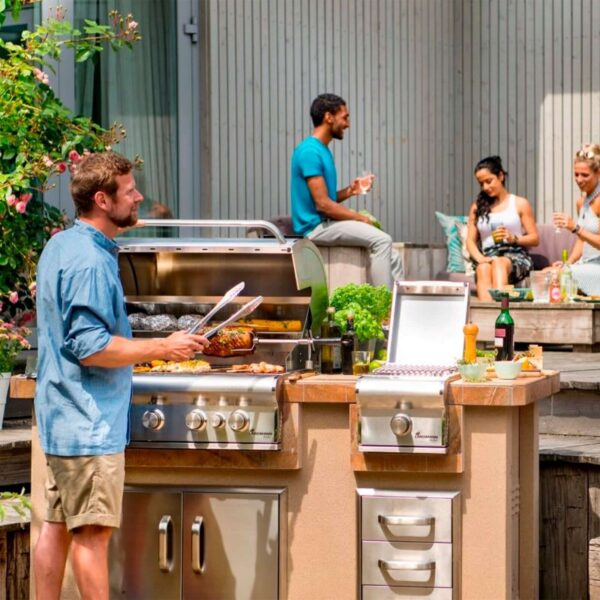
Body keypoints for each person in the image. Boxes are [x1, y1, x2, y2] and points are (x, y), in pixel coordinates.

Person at [32, 151, 209, 600]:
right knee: (92, 538)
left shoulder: (61, 244)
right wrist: (163, 347)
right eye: (130, 191)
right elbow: (91, 346)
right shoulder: (91, 262)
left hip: (59, 417)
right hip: (88, 424)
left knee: (56, 528)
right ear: (102, 200)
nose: (139, 197)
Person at [290, 93, 403, 288]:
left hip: (325, 222)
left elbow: (327, 198)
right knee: (382, 240)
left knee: (393, 255)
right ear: (329, 117)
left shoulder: (322, 150)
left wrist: (350, 191)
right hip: (314, 229)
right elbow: (323, 205)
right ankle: (385, 306)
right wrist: (359, 218)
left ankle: (399, 305)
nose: (347, 123)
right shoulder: (310, 152)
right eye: (345, 117)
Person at [466, 155, 539, 301]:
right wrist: (481, 259)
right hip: (489, 255)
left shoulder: (519, 203)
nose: (486, 187)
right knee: (483, 268)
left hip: (516, 256)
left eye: (489, 181)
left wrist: (514, 238)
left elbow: (535, 238)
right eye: (481, 184)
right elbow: (470, 241)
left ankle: (502, 317)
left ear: (501, 176)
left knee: (499, 263)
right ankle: (488, 318)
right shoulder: (477, 207)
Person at [552, 144, 600, 296]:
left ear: (598, 173)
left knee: (558, 276)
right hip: (587, 263)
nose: (579, 180)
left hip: (597, 266)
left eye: (585, 175)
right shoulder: (582, 201)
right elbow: (582, 240)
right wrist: (569, 262)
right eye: (576, 174)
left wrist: (575, 227)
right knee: (548, 272)